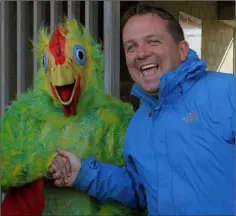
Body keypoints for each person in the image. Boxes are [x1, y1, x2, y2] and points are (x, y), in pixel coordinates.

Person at [48, 3, 235, 215]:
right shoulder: (139, 123)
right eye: (131, 47)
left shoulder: (228, 93)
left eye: (153, 41)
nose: (141, 54)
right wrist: (84, 174)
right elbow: (142, 191)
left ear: (182, 50)